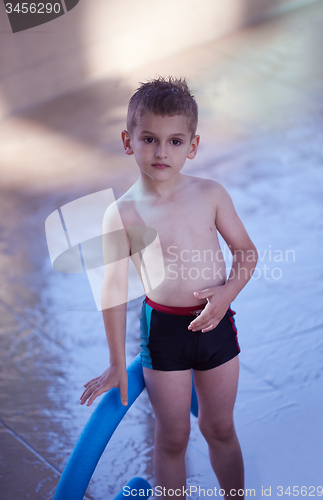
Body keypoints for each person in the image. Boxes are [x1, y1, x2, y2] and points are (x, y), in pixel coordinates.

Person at [80, 77, 258, 499]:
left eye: (175, 141)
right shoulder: (121, 213)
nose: (162, 152)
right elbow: (113, 288)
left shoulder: (210, 194)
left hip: (215, 324)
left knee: (219, 428)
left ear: (192, 146)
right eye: (149, 139)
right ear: (129, 141)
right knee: (173, 437)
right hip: (163, 331)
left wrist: (227, 294)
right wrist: (115, 362)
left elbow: (246, 253)